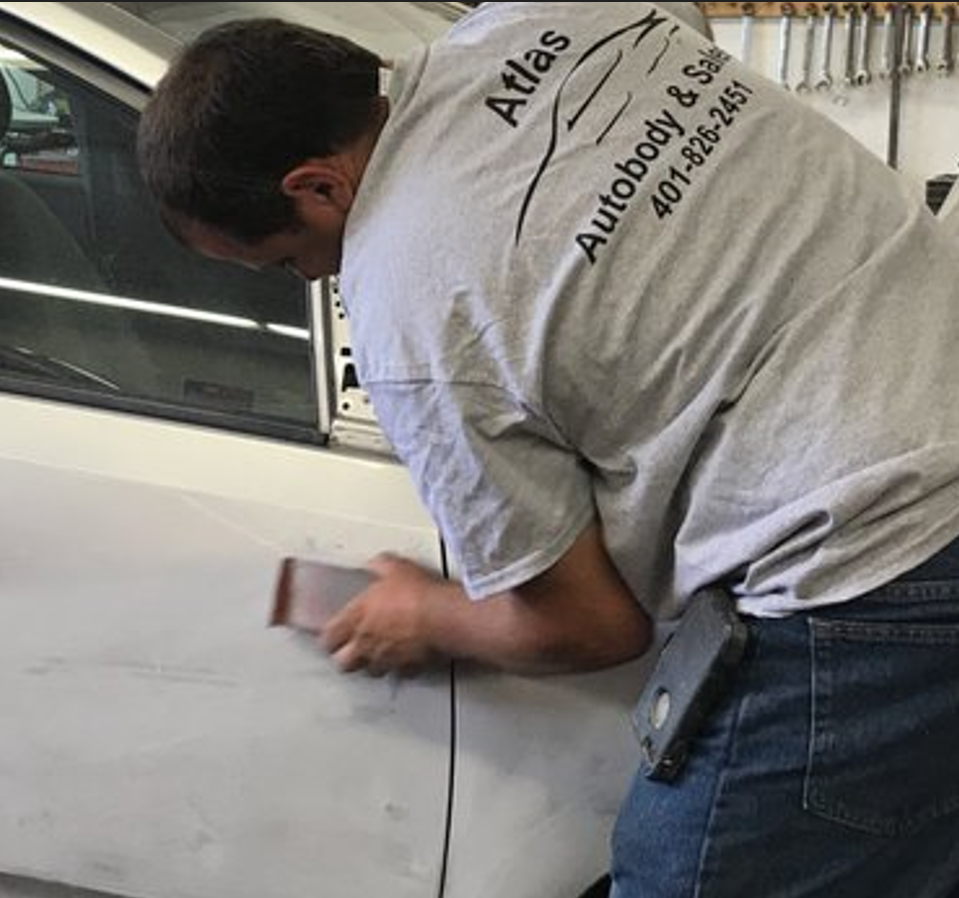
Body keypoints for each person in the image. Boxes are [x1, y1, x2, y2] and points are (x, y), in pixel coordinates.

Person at [138, 4, 959, 897]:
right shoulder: (550, 16)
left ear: (315, 186)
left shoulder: (411, 314)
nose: (308, 276)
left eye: (281, 260)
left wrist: (422, 615)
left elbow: (591, 624)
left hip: (881, 550)